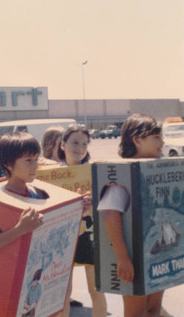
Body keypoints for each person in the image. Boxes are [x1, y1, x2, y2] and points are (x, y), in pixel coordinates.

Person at [98, 113, 165, 317]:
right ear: (137, 140)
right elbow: (110, 214)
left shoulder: (155, 171)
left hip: (158, 256)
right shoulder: (123, 175)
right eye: (156, 138)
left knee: (153, 308)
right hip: (135, 261)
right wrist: (123, 258)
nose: (162, 143)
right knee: (136, 312)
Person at [58, 124, 107, 317]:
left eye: (84, 144)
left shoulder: (96, 171)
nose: (79, 148)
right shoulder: (50, 174)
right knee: (63, 293)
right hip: (64, 237)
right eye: (75, 142)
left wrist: (93, 203)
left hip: (90, 235)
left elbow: (108, 205)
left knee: (96, 290)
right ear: (63, 145)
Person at [0, 132, 45, 255]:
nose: (35, 166)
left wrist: (78, 208)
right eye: (28, 160)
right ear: (8, 164)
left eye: (36, 159)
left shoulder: (38, 194)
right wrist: (20, 229)